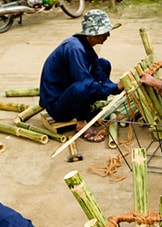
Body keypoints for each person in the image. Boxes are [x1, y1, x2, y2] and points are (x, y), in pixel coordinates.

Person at [39, 9, 123, 142]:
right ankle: (81, 123)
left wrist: (116, 87)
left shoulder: (86, 46)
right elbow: (85, 82)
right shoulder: (75, 49)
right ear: (91, 35)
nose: (108, 35)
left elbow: (99, 74)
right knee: (82, 86)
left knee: (103, 64)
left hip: (69, 93)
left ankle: (92, 108)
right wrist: (114, 88)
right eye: (104, 32)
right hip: (57, 106)